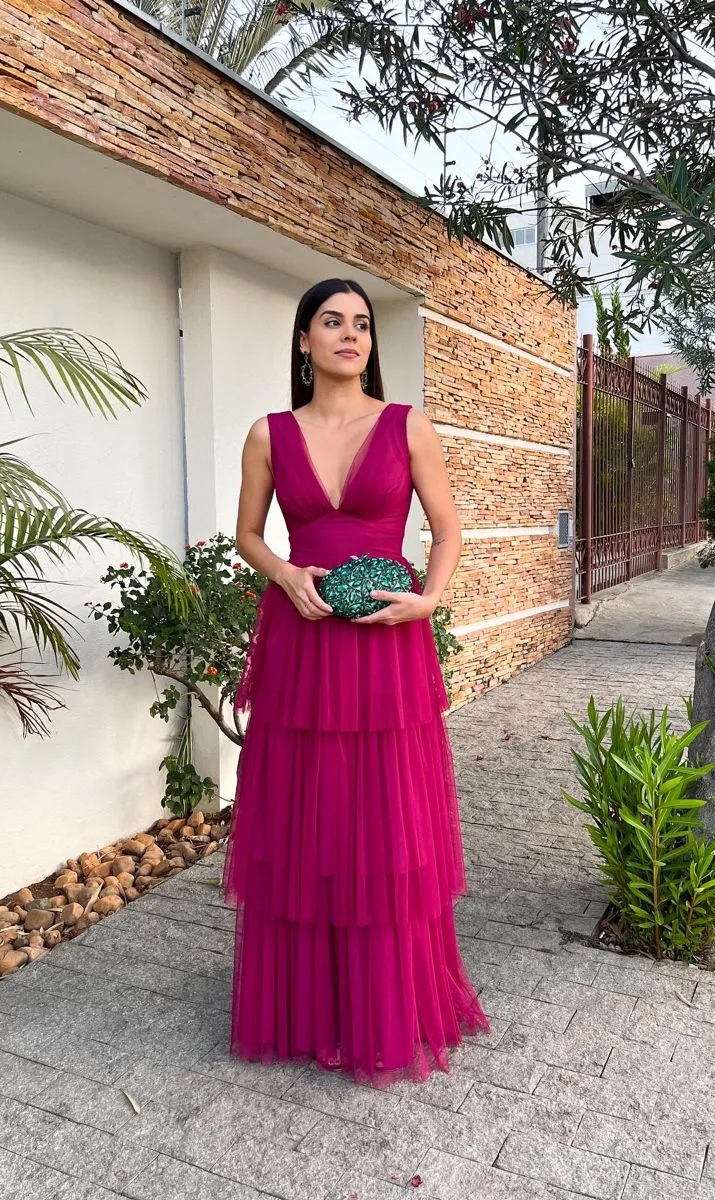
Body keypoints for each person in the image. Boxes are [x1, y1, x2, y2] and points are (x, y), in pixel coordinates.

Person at [222, 277, 489, 1087]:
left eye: (363, 324)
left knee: (382, 815)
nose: (351, 335)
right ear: (304, 340)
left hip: (385, 644)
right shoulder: (269, 434)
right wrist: (284, 572)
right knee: (308, 814)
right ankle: (310, 1007)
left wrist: (428, 600)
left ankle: (384, 1002)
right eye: (332, 322)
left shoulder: (408, 425)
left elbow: (447, 531)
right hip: (302, 644)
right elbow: (247, 534)